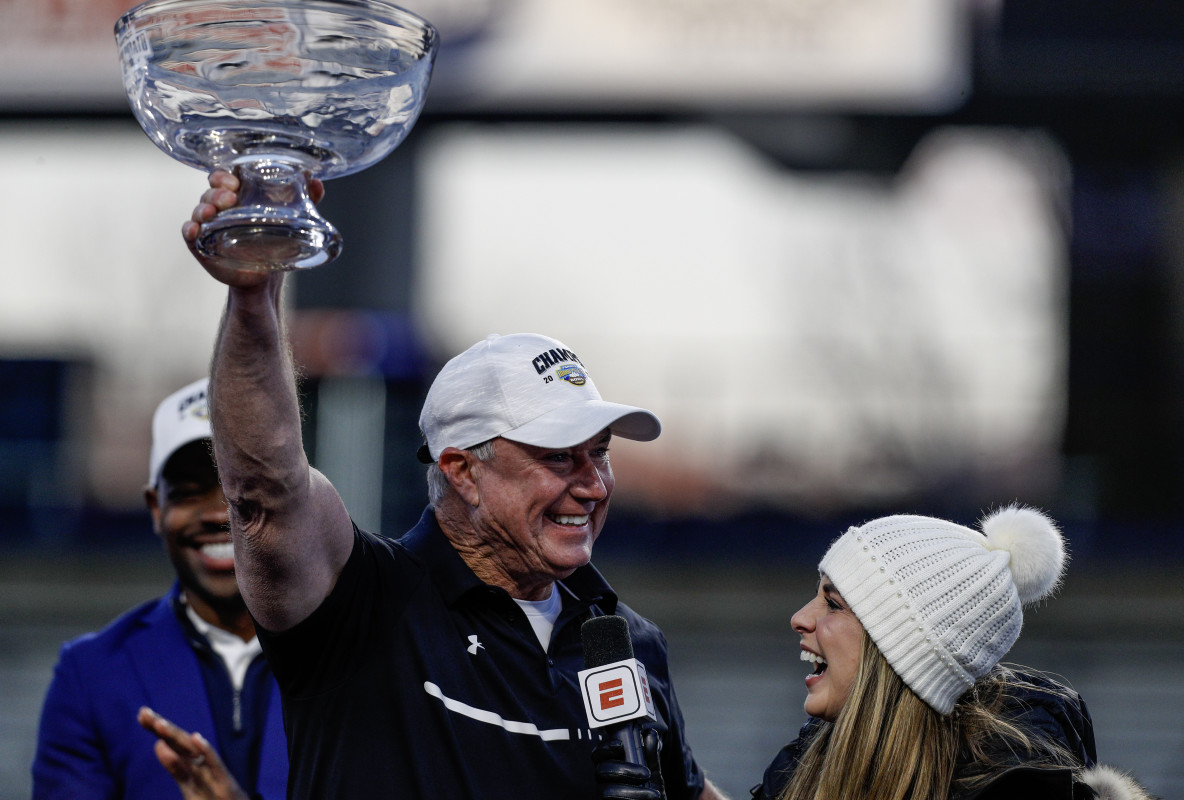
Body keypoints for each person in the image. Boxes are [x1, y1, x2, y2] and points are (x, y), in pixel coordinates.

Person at [179, 171, 729, 799]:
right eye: (558, 457)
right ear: (462, 471)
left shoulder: (624, 642)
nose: (594, 486)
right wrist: (255, 298)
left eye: (599, 453)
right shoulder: (362, 601)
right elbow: (265, 490)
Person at [752, 505, 1154, 800]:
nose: (799, 618)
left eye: (834, 604)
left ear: (902, 652)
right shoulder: (799, 770)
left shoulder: (1014, 785)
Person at [31, 378, 288, 800]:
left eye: (242, 487)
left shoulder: (361, 661)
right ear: (156, 508)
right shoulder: (92, 675)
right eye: (189, 492)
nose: (218, 513)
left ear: (292, 499)